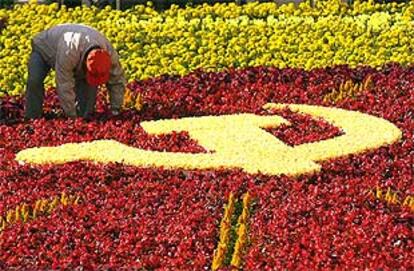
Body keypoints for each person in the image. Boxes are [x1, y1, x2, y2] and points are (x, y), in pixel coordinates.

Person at [25, 23, 125, 119]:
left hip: (75, 52)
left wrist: (115, 109)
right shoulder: (69, 52)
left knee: (88, 92)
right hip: (44, 47)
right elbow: (64, 85)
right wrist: (71, 116)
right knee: (34, 80)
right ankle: (32, 116)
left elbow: (117, 80)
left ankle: (84, 115)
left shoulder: (109, 52)